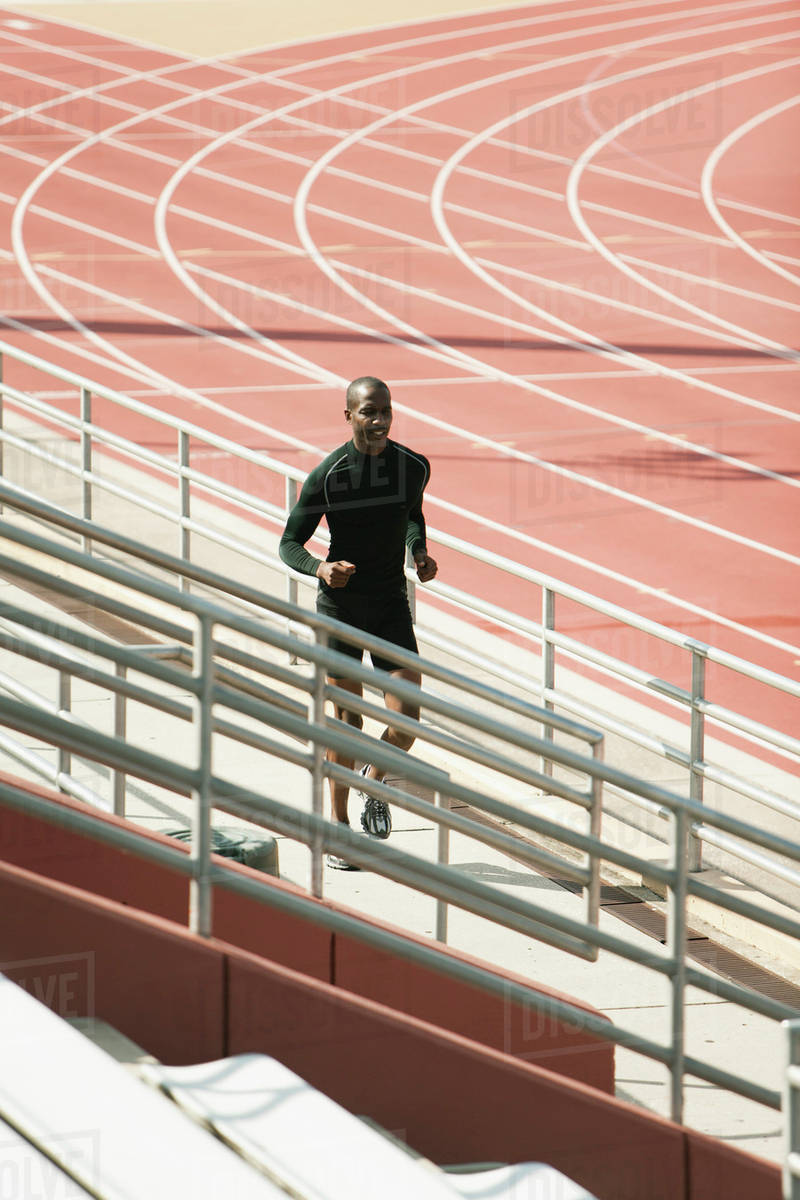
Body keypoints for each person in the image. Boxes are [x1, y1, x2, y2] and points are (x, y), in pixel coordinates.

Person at [279, 376, 438, 870]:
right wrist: (321, 568)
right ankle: (338, 828)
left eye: (385, 411)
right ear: (348, 416)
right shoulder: (327, 476)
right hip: (340, 609)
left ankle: (374, 777)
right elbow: (289, 543)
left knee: (407, 715)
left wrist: (420, 551)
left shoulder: (413, 466)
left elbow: (412, 513)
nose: (379, 421)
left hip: (389, 604)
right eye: (369, 412)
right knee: (347, 719)